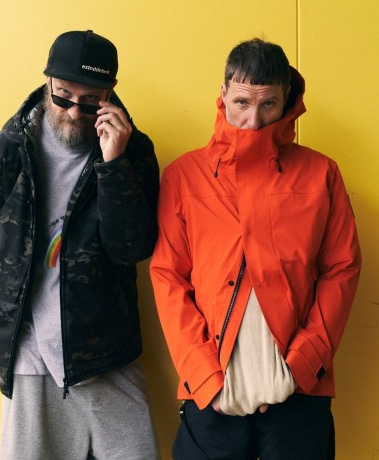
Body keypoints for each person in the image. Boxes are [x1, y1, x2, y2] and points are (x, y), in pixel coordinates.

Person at [150, 38, 362, 459]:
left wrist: (303, 364)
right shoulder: (184, 176)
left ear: (287, 101)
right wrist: (202, 375)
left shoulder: (321, 173)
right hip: (211, 395)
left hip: (300, 393)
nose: (253, 120)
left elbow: (342, 269)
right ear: (223, 93)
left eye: (268, 104)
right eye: (242, 102)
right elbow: (168, 277)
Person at [0, 30, 159, 459]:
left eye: (89, 102)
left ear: (109, 94)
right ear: (47, 80)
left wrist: (114, 163)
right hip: (30, 359)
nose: (73, 112)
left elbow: (132, 248)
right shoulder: (3, 154)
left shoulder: (134, 150)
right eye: (63, 96)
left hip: (108, 355)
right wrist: (9, 325)